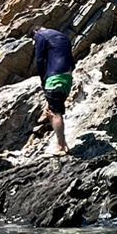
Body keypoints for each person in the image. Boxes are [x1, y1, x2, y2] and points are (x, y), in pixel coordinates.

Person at [32, 24, 75, 154]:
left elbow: (40, 59)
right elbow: (71, 60)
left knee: (56, 113)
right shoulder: (62, 36)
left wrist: (43, 79)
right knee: (52, 108)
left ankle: (61, 146)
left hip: (55, 78)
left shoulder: (39, 36)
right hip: (67, 77)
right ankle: (62, 143)